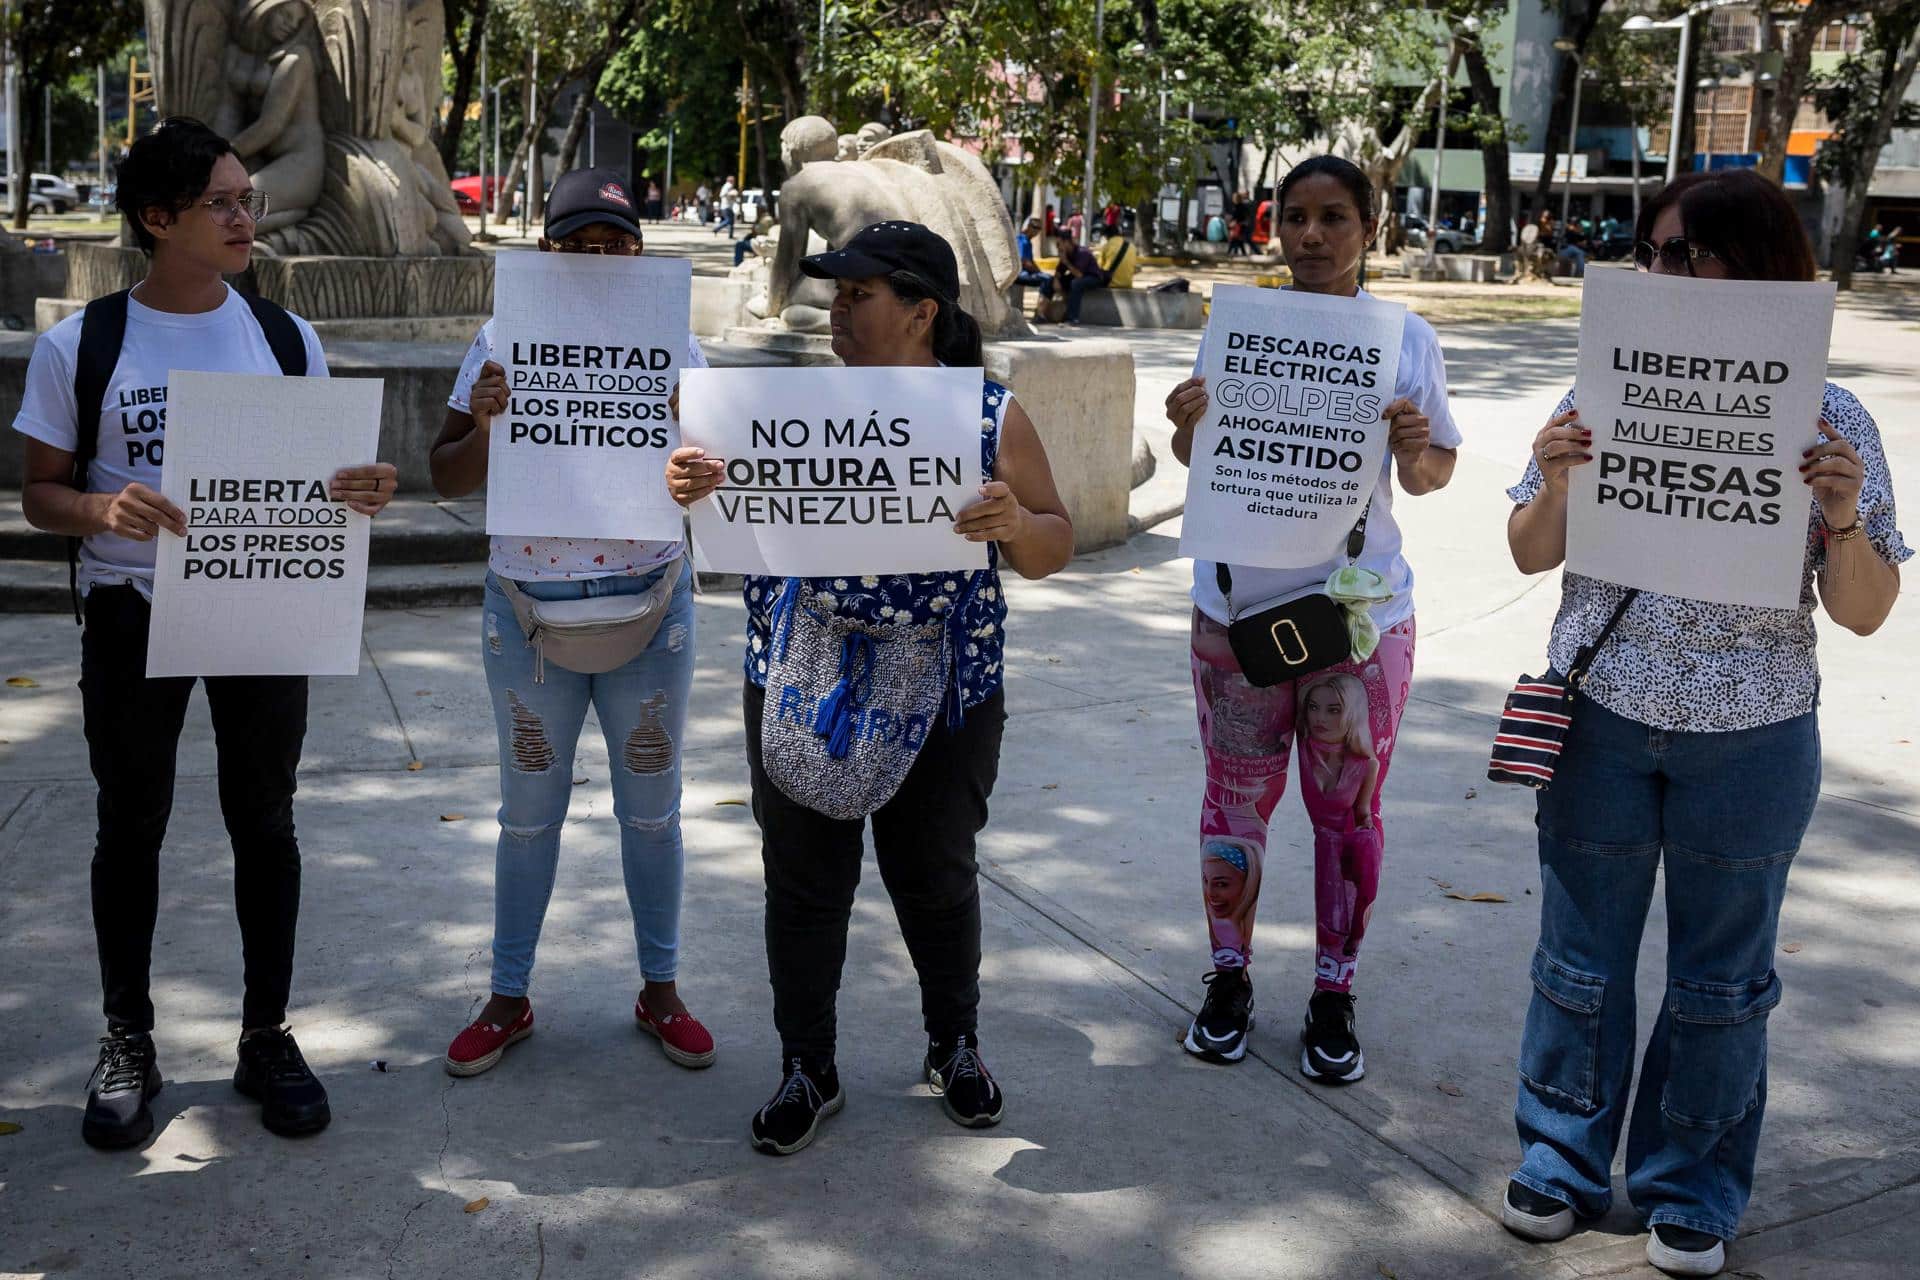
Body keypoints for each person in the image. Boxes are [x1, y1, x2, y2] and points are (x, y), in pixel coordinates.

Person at [1498, 169, 1907, 1280]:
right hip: (1604, 720)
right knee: (1577, 959)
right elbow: (1531, 551)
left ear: (1758, 263)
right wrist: (1555, 478)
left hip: (1757, 734)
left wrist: (1839, 514)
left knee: (1724, 981)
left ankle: (1692, 1184)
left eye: (1690, 253)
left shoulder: (1835, 415)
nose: (1663, 274)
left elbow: (1866, 611)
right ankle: (1559, 1158)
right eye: (1654, 252)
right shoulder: (1593, 391)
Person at [11, 116, 398, 1149]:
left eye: (247, 198)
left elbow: (321, 478)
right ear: (157, 219)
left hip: (262, 604)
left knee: (265, 820)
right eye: (222, 201)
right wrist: (102, 511)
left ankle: (264, 1032)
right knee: (129, 825)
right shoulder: (82, 344)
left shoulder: (282, 336)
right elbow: (41, 491)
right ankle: (127, 1036)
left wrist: (361, 487)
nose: (245, 215)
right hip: (134, 615)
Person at [665, 220, 1075, 1156]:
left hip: (946, 684)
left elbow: (1056, 543)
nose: (838, 309)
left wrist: (1015, 520)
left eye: (860, 295)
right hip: (802, 673)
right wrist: (692, 483)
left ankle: (954, 1046)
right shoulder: (780, 417)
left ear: (923, 312)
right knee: (804, 882)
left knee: (936, 876)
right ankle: (807, 1064)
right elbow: (718, 512)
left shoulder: (988, 416)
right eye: (836, 294)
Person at [1163, 154, 1461, 1079]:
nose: (1312, 237)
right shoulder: (1237, 327)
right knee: (1234, 808)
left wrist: (1416, 448)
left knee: (1347, 813)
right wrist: (1184, 423)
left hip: (1355, 619)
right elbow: (1199, 458)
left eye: (1335, 218)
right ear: (1274, 226)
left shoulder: (1405, 337)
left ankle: (1335, 990)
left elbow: (1432, 474)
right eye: (1296, 217)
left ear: (1371, 228)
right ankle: (1228, 977)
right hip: (1234, 616)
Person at [427, 166, 715, 1080]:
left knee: (652, 816)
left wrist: (695, 471)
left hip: (652, 613)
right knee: (526, 817)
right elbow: (446, 477)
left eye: (617, 245)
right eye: (580, 246)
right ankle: (508, 997)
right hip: (527, 622)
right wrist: (482, 422)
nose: (599, 261)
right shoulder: (500, 342)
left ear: (639, 254)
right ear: (549, 252)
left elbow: (719, 492)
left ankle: (660, 991)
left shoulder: (680, 349)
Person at [1037, 229, 1108, 325]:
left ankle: (1073, 318)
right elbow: (1059, 271)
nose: (1057, 248)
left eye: (1059, 244)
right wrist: (1056, 279)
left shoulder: (1083, 253)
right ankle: (1041, 314)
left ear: (1066, 242)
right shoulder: (1065, 254)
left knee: (1075, 283)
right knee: (1049, 280)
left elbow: (1079, 275)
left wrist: (1065, 261)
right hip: (1077, 276)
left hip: (1093, 277)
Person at [1015, 216, 1047, 286]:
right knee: (1046, 280)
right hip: (1020, 273)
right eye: (1035, 227)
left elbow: (1031, 261)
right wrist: (1037, 272)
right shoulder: (1022, 241)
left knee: (1047, 278)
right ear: (1029, 226)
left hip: (1026, 271)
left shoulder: (1028, 242)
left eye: (1039, 228)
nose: (1037, 231)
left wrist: (1039, 271)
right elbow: (1024, 262)